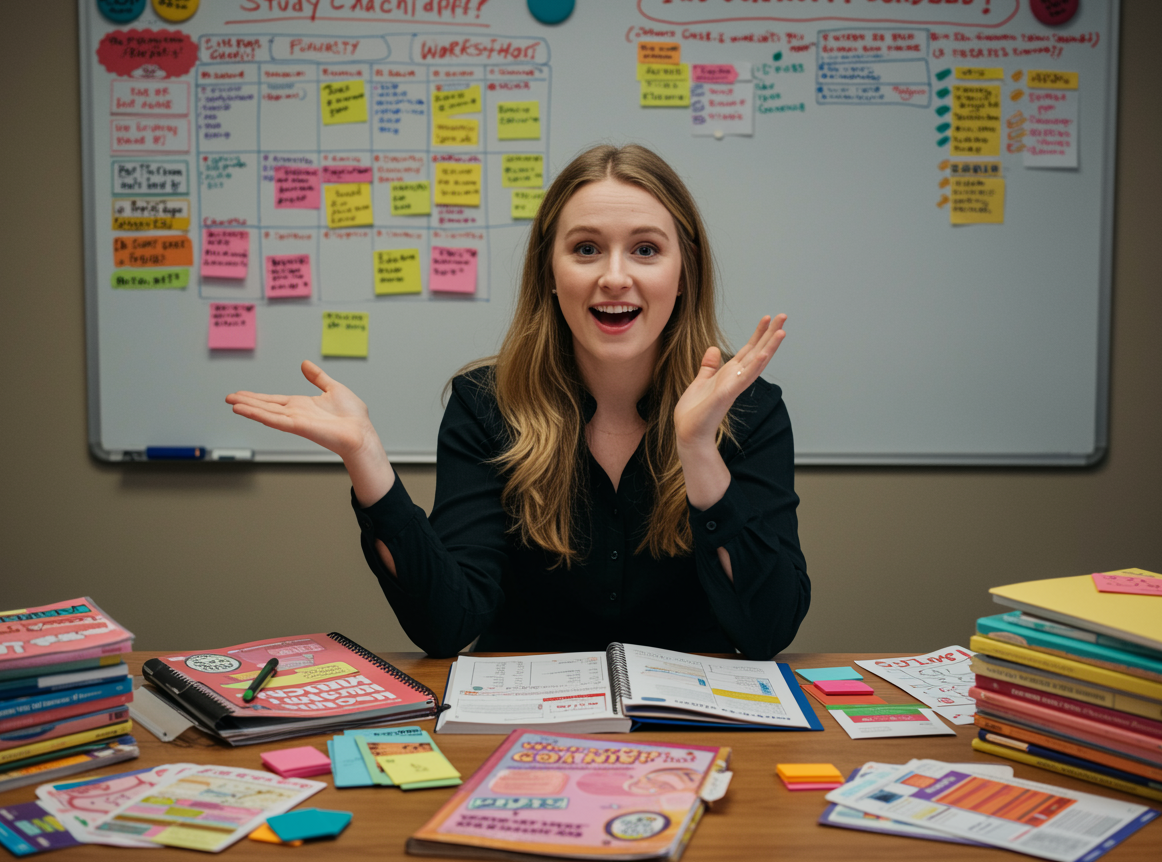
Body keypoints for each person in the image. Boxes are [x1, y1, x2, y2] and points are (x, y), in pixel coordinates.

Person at [227, 144, 808, 659]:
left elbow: (767, 630)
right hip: (519, 735)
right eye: (585, 249)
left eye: (646, 250)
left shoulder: (752, 411)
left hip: (696, 734)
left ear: (683, 275)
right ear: (550, 275)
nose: (613, 277)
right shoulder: (485, 406)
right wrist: (366, 459)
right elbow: (447, 626)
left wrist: (699, 449)